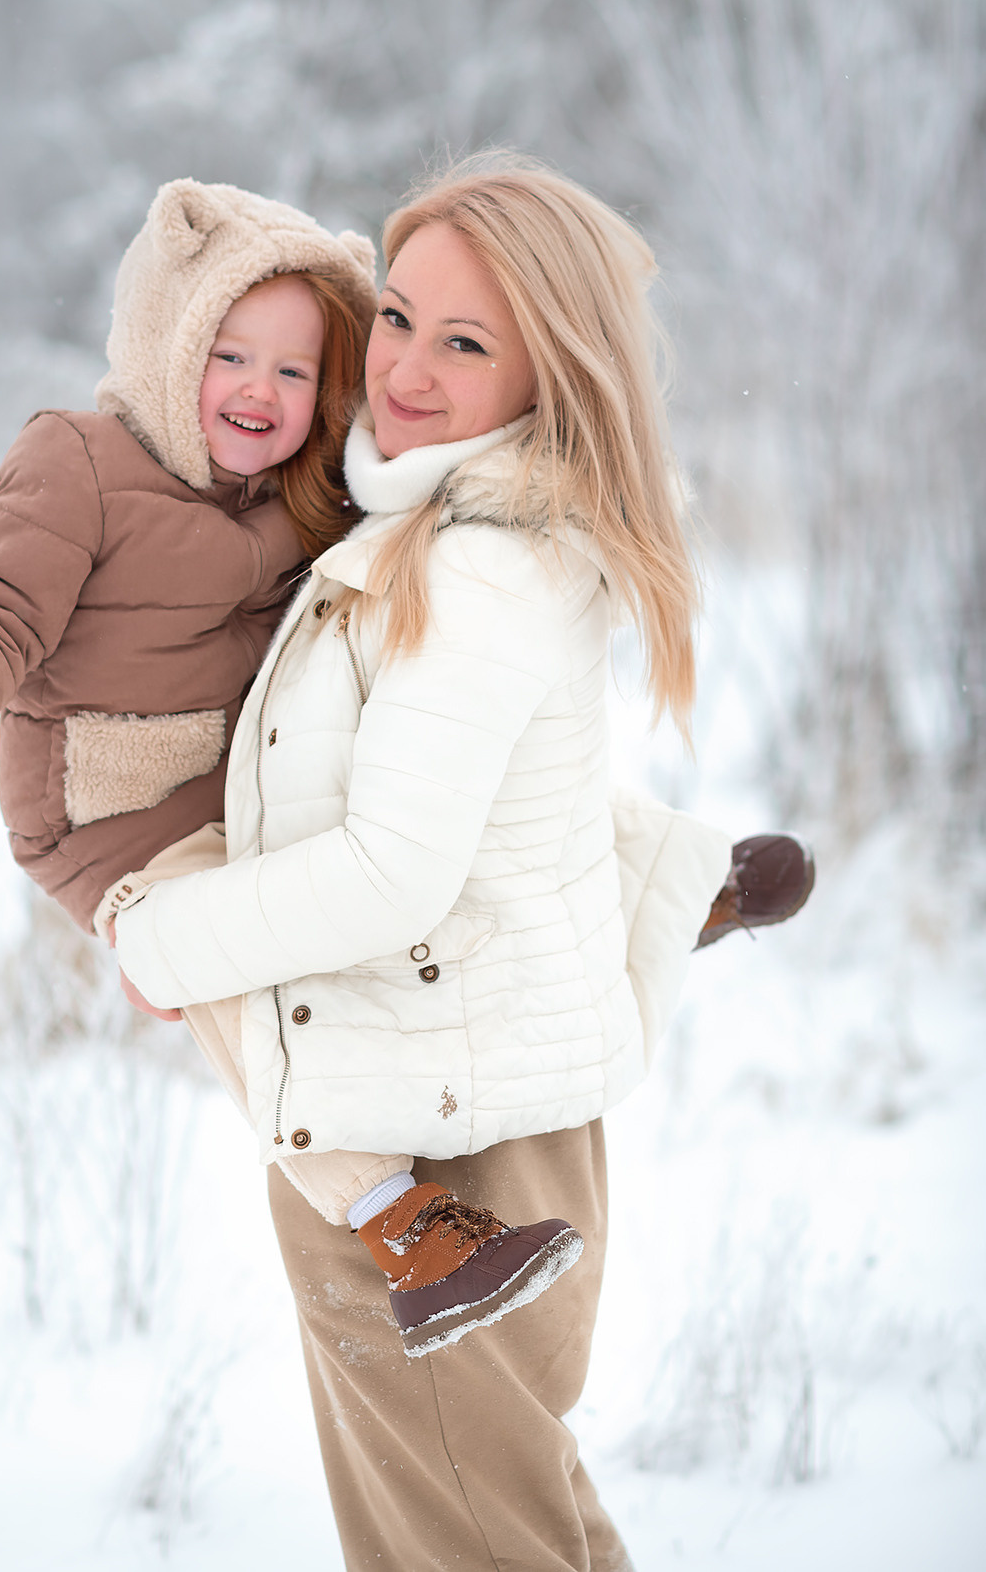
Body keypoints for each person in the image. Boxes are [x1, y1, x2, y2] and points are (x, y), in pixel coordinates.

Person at [106, 156, 814, 1572]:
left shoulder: (478, 565)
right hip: (476, 1102)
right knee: (515, 1533)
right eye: (399, 317)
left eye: (468, 341)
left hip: (435, 1152)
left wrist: (156, 940)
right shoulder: (454, 535)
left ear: (551, 374)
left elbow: (390, 874)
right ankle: (680, 888)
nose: (407, 370)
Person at [0, 179, 376, 934]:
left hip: (251, 802)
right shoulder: (81, 462)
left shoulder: (312, 496)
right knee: (269, 982)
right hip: (112, 813)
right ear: (167, 342)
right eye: (228, 355)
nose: (260, 388)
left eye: (293, 371)